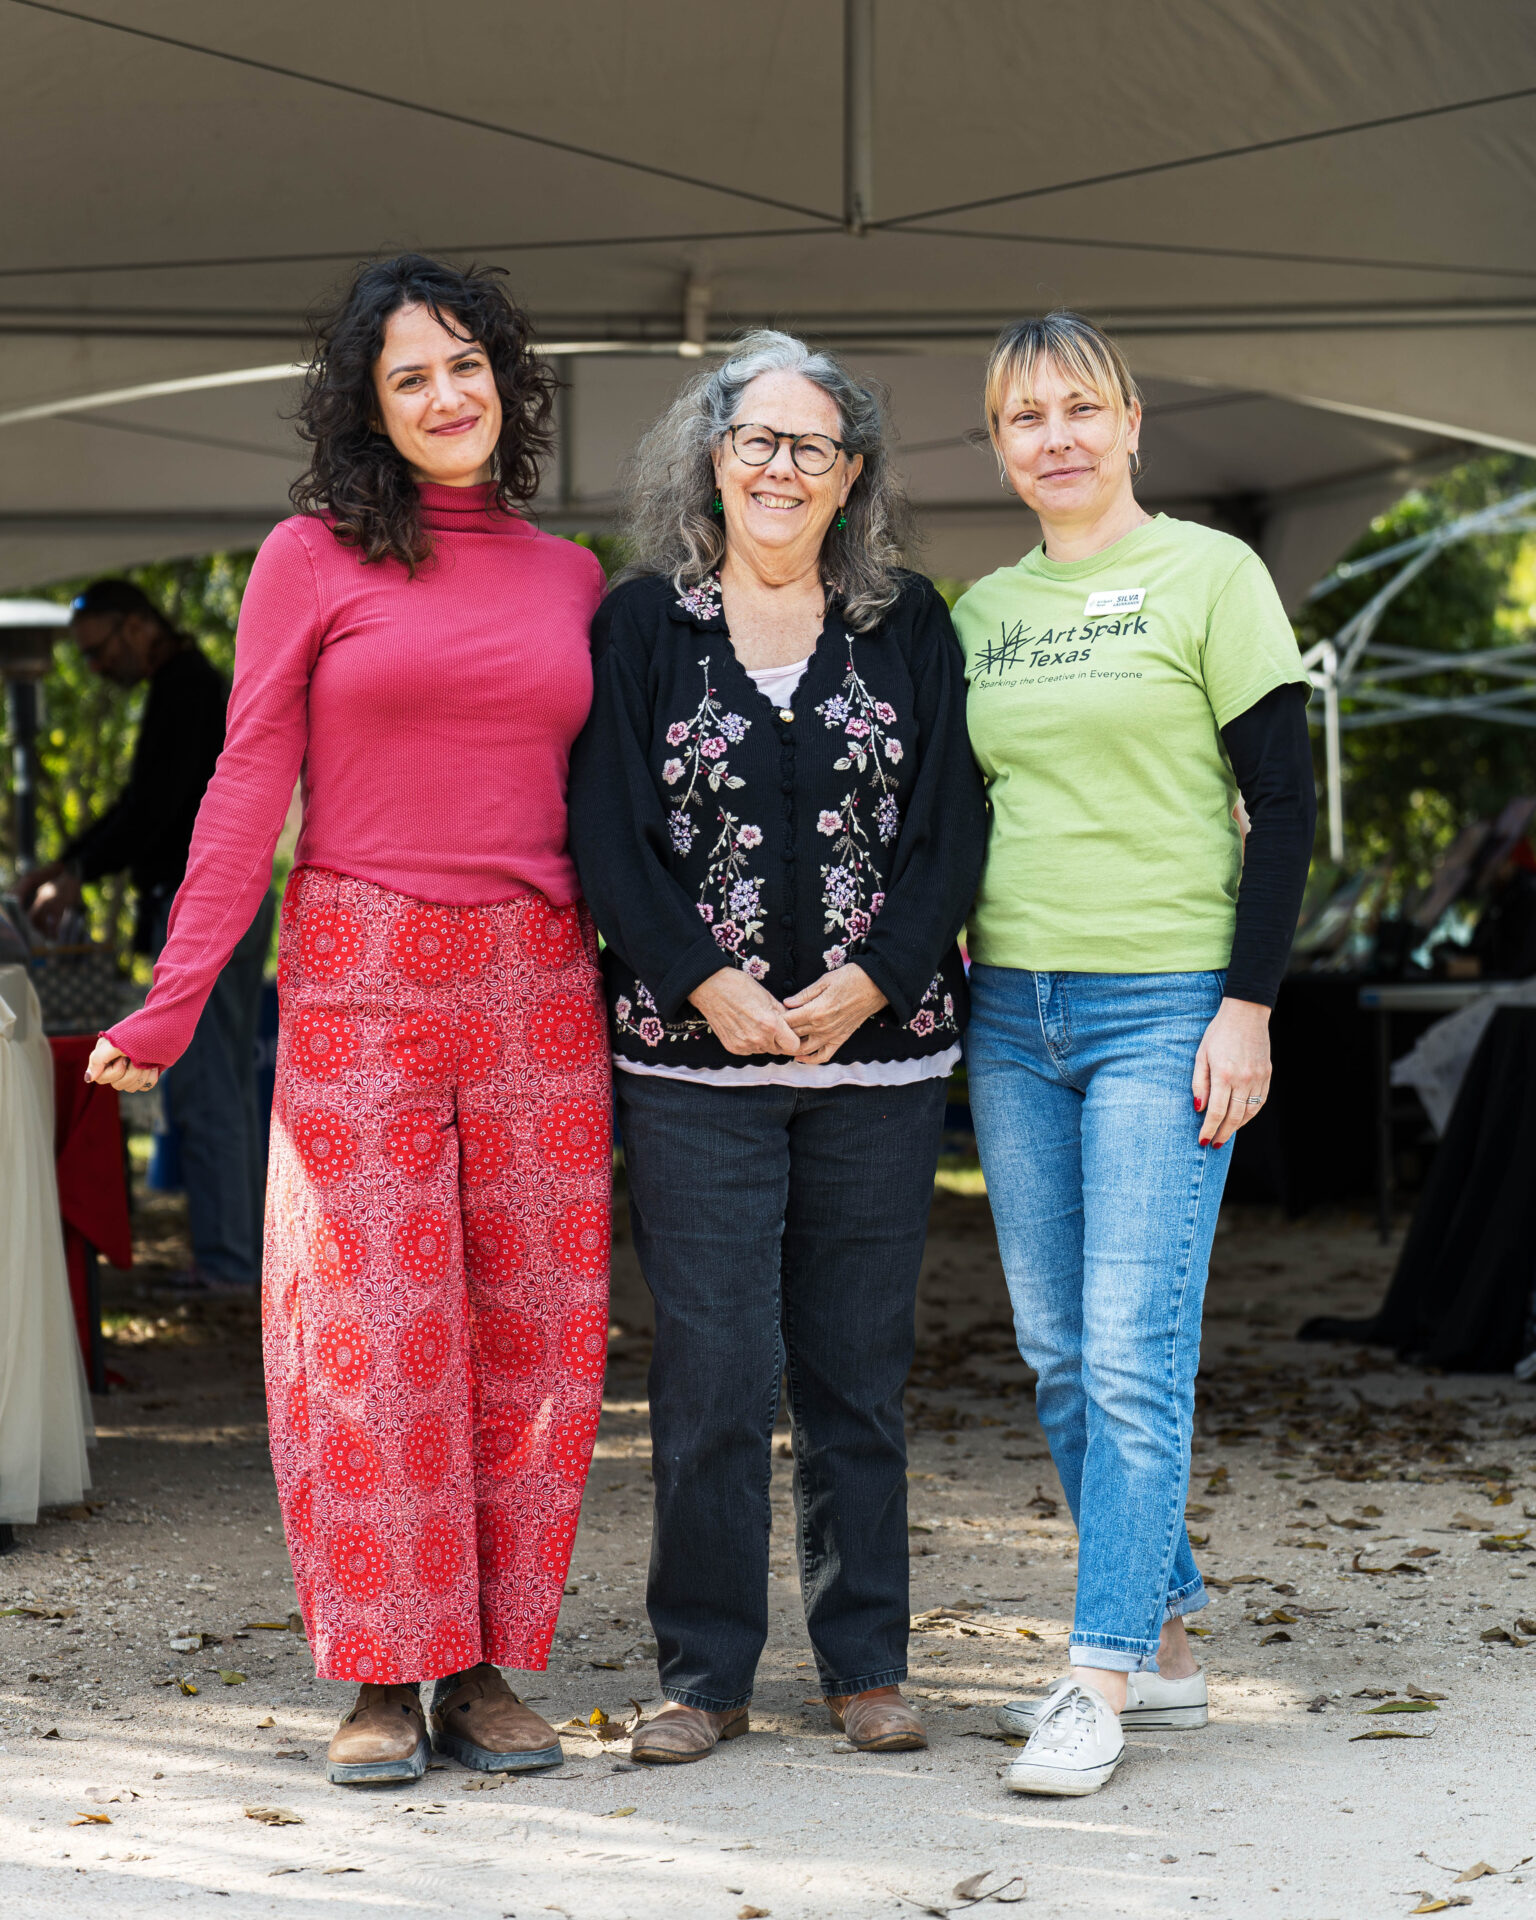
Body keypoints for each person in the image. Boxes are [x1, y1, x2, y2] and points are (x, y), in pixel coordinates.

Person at [83, 254, 612, 1787]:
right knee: (370, 1336)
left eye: (466, 365)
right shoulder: (310, 558)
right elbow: (247, 781)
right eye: (409, 377)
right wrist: (177, 998)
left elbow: (612, 806)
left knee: (536, 1333)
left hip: (537, 976)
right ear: (367, 411)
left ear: (505, 379)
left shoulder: (571, 574)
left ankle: (488, 1668)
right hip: (360, 970)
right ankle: (382, 1672)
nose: (446, 395)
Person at [569, 331, 987, 1764]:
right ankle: (704, 1674)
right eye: (757, 439)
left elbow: (951, 831)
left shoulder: (908, 624)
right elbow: (605, 836)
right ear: (711, 455)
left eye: (813, 446)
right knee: (713, 1377)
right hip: (695, 1073)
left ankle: (867, 1662)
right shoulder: (641, 628)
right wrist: (703, 984)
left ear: (852, 474)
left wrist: (875, 980)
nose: (782, 466)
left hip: (881, 1063)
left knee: (857, 1373)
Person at [952, 311, 1316, 1796]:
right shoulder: (980, 610)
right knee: (1057, 1353)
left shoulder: (1214, 578)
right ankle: (1164, 1645)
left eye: (1081, 408)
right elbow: (959, 812)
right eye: (1026, 415)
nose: (1057, 435)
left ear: (1131, 421)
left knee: (1130, 1350)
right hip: (1012, 1011)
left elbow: (1282, 806)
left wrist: (1250, 1004)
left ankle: (1094, 1676)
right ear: (997, 444)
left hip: (1167, 1002)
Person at [17, 578, 273, 1291]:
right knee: (229, 1088)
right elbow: (142, 803)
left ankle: (227, 1264)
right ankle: (243, 1257)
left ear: (135, 627)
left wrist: (79, 870)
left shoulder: (186, 685)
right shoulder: (188, 682)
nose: (97, 670)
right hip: (234, 900)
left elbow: (154, 810)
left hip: (204, 903)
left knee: (206, 1090)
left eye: (99, 652)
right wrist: (71, 862)